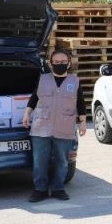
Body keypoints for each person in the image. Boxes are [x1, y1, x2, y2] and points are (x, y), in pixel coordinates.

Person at [23, 48, 87, 202]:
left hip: (64, 126)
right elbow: (34, 98)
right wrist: (27, 114)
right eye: (56, 62)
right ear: (51, 64)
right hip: (41, 126)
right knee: (39, 161)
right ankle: (40, 190)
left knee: (62, 161)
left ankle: (58, 188)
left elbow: (80, 103)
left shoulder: (74, 81)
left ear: (69, 63)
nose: (60, 64)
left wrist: (83, 123)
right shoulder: (43, 79)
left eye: (63, 62)